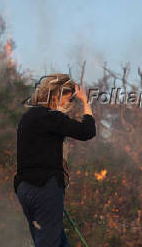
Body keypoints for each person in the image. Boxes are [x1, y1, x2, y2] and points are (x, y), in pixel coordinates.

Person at [14, 73, 96, 247]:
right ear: (57, 93)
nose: (69, 103)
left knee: (57, 242)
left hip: (24, 187)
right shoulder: (50, 116)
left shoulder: (27, 117)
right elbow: (87, 131)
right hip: (45, 187)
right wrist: (86, 103)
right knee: (49, 243)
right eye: (70, 98)